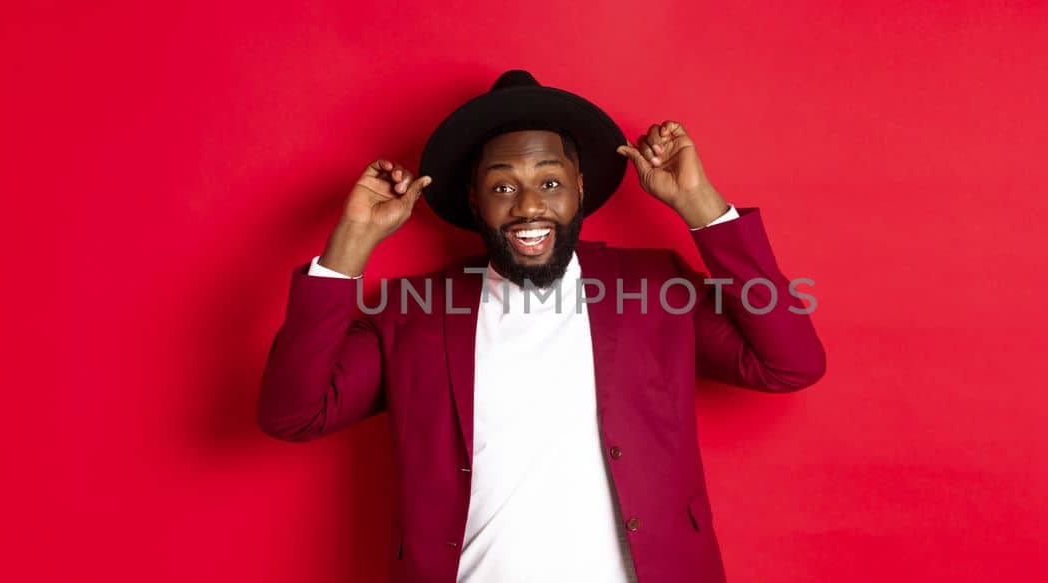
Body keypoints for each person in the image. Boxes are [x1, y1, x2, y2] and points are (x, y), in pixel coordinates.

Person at [258, 69, 826, 583]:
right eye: (503, 186)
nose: (529, 205)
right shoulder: (416, 308)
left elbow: (790, 362)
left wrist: (700, 203)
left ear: (579, 188)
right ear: (475, 200)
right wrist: (350, 244)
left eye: (550, 182)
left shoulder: (654, 287)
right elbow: (294, 414)